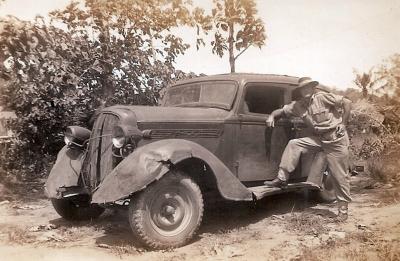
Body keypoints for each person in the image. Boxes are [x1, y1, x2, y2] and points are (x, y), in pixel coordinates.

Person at [264, 77, 352, 222]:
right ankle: (281, 178)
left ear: (313, 88)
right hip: (319, 139)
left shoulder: (322, 98)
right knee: (294, 143)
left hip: (335, 140)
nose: (306, 90)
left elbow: (347, 102)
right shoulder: (298, 105)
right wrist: (271, 116)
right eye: (302, 89)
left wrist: (343, 124)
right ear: (300, 91)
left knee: (339, 175)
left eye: (308, 87)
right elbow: (280, 111)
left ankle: (343, 210)